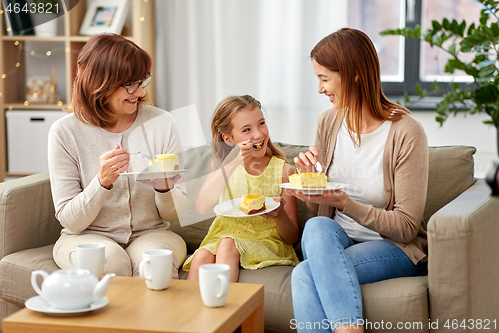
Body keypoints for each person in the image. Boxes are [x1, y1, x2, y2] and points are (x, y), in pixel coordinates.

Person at [290, 28, 429, 333]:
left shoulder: (406, 132)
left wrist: (346, 203)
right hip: (337, 239)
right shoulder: (328, 123)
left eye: (324, 78)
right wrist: (311, 188)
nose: (319, 89)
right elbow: (321, 213)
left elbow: (407, 226)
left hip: (393, 246)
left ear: (353, 74)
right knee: (316, 226)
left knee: (305, 274)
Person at [48, 33, 187, 279]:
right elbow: (71, 221)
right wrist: (101, 183)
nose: (139, 90)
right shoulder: (64, 132)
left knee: (155, 265)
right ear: (99, 83)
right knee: (109, 263)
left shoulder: (162, 123)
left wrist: (165, 189)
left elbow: (175, 216)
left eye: (142, 80)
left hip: (151, 233)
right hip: (85, 236)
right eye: (129, 84)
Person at [182, 95, 300, 282]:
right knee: (202, 256)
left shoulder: (284, 170)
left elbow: (292, 237)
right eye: (247, 129)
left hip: (266, 240)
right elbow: (202, 207)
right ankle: (189, 311)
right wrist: (233, 162)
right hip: (223, 235)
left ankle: (224, 309)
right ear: (228, 139)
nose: (259, 134)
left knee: (228, 245)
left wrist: (279, 215)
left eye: (261, 123)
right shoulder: (221, 166)